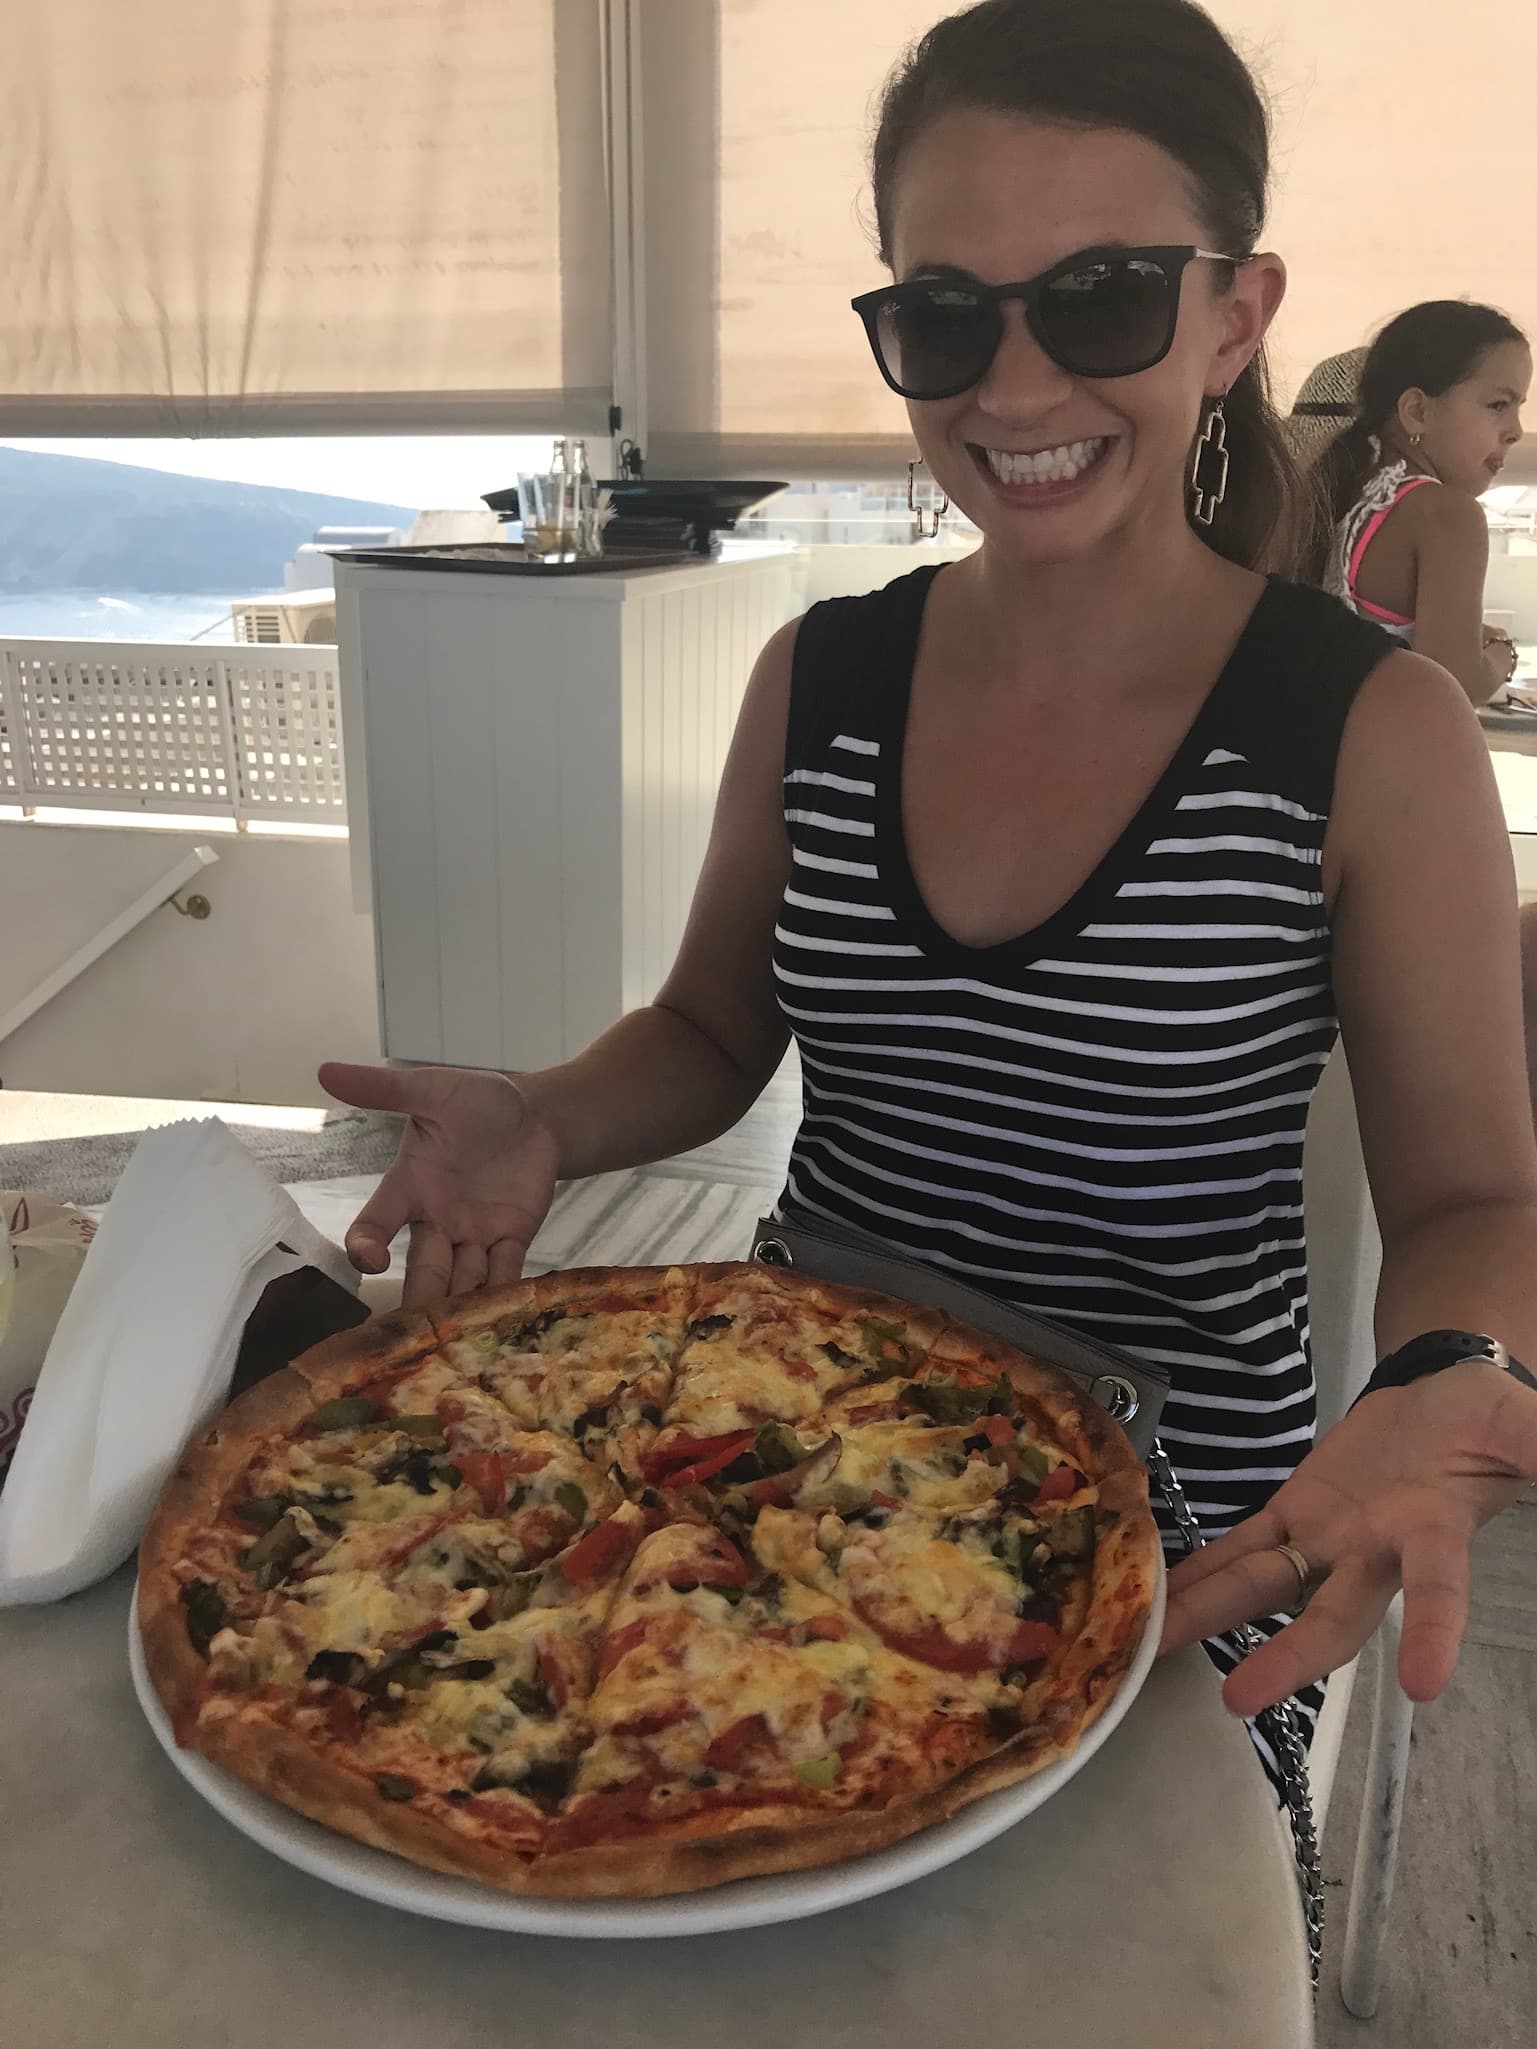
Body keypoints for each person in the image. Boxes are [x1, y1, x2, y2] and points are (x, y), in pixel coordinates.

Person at [322, 0, 1537, 1781]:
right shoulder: (820, 675)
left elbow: (1473, 1191)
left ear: (1231, 317)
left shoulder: (1362, 724)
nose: (1016, 385)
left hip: (1171, 1522)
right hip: (766, 1452)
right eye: (944, 315)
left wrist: (1451, 1357)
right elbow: (711, 1025)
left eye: (1105, 294)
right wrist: (540, 1114)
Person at [1303, 300, 1529, 704]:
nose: (1515, 431)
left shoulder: (1337, 494)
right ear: (1417, 412)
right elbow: (1451, 686)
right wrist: (1501, 656)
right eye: (1498, 405)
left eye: (1518, 408)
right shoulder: (1447, 514)